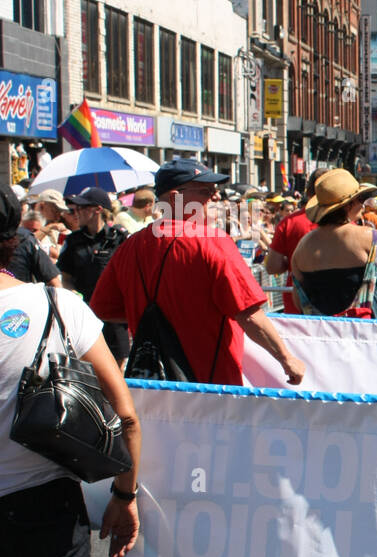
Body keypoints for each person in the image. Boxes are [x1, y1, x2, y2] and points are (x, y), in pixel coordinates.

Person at [1, 186, 142, 557]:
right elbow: (126, 417)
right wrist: (124, 497)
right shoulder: (59, 306)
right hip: (46, 518)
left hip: (45, 513)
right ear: (15, 237)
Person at [90, 158, 306, 386]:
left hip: (152, 387)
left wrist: (162, 312)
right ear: (175, 198)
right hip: (210, 389)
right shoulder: (213, 242)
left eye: (215, 191)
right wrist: (287, 359)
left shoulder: (130, 246)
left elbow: (103, 309)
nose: (216, 197)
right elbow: (249, 315)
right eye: (206, 191)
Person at [292, 169, 377, 317]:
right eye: (360, 199)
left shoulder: (302, 246)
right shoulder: (368, 237)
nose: (363, 205)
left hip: (321, 333)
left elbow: (298, 300)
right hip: (362, 331)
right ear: (348, 205)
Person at [59, 187, 131, 365]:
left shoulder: (119, 238)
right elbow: (65, 276)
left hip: (113, 315)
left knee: (118, 364)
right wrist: (73, 296)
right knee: (84, 364)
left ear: (97, 209)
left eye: (82, 208)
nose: (77, 213)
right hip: (84, 312)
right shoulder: (73, 240)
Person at [264, 169, 327, 314]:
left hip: (297, 304)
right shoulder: (347, 225)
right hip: (337, 307)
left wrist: (293, 263)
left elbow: (272, 266)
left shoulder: (289, 223)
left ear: (308, 192)